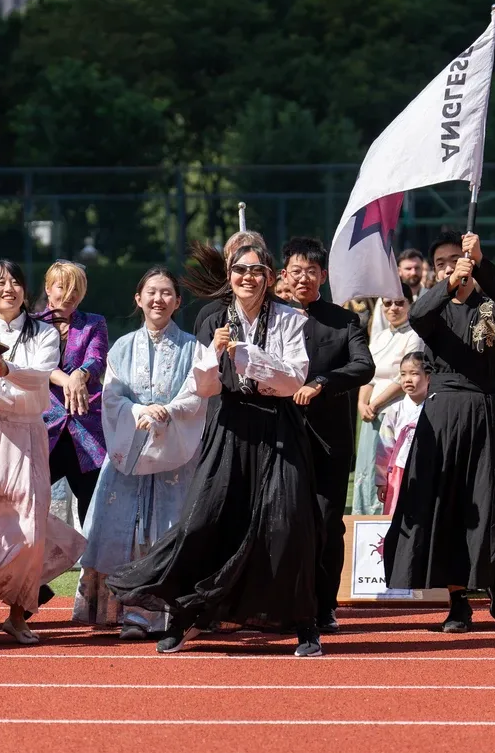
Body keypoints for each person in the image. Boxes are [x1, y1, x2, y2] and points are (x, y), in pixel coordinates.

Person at [107, 241, 324, 657]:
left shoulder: (291, 319)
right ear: (230, 276)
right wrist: (213, 356)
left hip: (279, 427)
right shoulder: (213, 318)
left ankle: (304, 625)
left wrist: (247, 355)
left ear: (270, 277)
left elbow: (295, 379)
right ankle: (186, 617)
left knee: (288, 525)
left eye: (257, 271)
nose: (248, 278)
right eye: (240, 271)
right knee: (203, 521)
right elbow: (204, 387)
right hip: (229, 427)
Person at [382, 231, 495, 633]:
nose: (451, 265)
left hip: (482, 412)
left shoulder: (492, 308)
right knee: (443, 507)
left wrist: (480, 260)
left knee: (491, 504)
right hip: (441, 418)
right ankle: (458, 602)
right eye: (442, 261)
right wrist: (447, 283)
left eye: (456, 259)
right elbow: (417, 316)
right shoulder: (435, 309)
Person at [0, 261, 85, 646]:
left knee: (28, 528)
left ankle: (18, 614)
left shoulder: (43, 333)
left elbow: (39, 377)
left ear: (25, 290)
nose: (8, 288)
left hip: (27, 434)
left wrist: (4, 369)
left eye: (14, 281)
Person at [73, 268, 207, 638]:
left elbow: (198, 393)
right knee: (123, 531)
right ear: (138, 299)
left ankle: (171, 614)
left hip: (174, 452)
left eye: (167, 293)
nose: (158, 299)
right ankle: (130, 613)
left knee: (170, 530)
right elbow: (112, 396)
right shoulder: (122, 347)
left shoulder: (194, 347)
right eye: (151, 292)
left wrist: (170, 411)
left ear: (178, 302)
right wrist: (139, 412)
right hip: (128, 451)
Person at [281, 236, 375, 633]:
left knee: (325, 522)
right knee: (280, 522)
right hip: (279, 438)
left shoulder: (344, 320)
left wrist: (322, 382)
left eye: (311, 271)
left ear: (324, 275)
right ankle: (280, 603)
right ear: (283, 275)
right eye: (296, 271)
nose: (303, 278)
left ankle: (324, 607)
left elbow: (363, 367)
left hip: (329, 441)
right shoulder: (269, 319)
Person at [43, 261, 109, 525]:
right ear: (48, 289)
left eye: (76, 289)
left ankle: (93, 564)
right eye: (62, 287)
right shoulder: (33, 325)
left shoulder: (93, 323)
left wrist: (81, 374)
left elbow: (97, 357)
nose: (69, 294)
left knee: (92, 503)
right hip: (44, 426)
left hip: (87, 426)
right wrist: (67, 381)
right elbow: (36, 365)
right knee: (28, 498)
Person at [352, 286, 423, 516]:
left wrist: (374, 403)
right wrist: (362, 403)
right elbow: (368, 373)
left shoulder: (414, 335)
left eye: (399, 303)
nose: (393, 308)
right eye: (388, 303)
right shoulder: (381, 336)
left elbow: (403, 378)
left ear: (410, 305)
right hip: (371, 413)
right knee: (365, 471)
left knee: (386, 471)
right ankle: (364, 523)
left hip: (393, 412)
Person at [375, 351, 430, 515]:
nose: (407, 379)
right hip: (399, 472)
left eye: (414, 374)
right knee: (397, 514)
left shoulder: (435, 408)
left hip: (427, 471)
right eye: (403, 374)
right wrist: (381, 481)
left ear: (429, 377)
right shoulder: (395, 410)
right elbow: (384, 447)